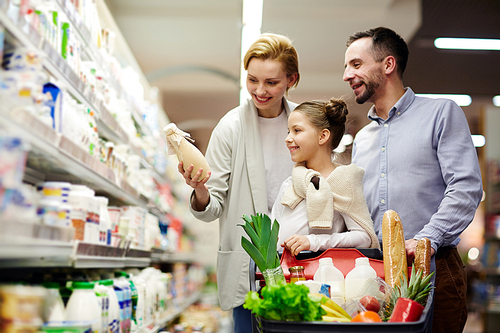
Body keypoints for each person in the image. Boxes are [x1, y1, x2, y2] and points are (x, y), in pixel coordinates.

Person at [343, 27, 483, 333]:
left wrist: (427, 239)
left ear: (388, 65)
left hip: (433, 270)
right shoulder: (363, 138)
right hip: (376, 272)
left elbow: (466, 188)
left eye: (355, 64)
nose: (346, 75)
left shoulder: (440, 113)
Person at [178, 33, 300, 333]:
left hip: (297, 257)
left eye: (271, 82)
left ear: (291, 80)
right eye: (252, 79)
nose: (259, 90)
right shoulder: (230, 127)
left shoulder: (305, 123)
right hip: (248, 267)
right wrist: (200, 188)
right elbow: (211, 208)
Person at [270, 98, 380, 256]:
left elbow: (364, 237)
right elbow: (273, 235)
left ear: (322, 136)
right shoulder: (290, 183)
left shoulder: (343, 181)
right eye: (288, 131)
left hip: (321, 274)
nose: (288, 138)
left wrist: (313, 241)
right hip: (286, 275)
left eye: (297, 130)